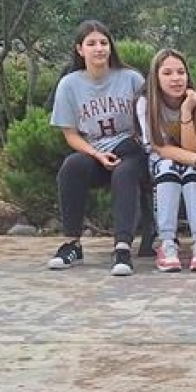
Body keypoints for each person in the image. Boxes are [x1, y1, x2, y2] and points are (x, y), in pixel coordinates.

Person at [47, 20, 146, 276]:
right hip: (96, 152)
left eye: (104, 42)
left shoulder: (131, 78)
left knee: (125, 173)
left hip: (131, 150)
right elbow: (70, 134)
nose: (99, 48)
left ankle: (122, 248)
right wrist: (96, 154)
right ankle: (72, 244)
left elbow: (148, 120)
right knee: (72, 167)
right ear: (80, 49)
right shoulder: (69, 85)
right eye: (91, 43)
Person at [135, 49, 196, 272]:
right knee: (168, 168)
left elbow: (192, 147)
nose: (176, 78)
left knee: (193, 172)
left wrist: (186, 110)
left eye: (180, 72)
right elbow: (160, 147)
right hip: (164, 159)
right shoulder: (146, 102)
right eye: (167, 73)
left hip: (195, 160)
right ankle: (167, 242)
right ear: (156, 77)